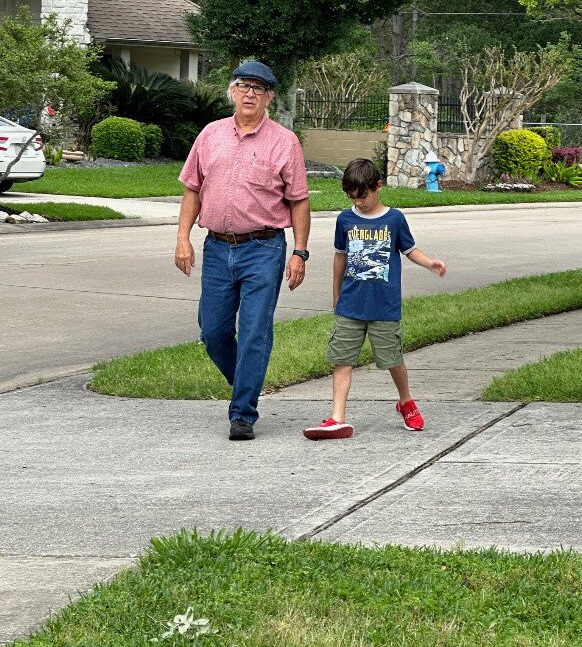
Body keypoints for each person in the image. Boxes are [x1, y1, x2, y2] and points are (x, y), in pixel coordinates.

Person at [175, 60, 310, 441]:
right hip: (217, 248)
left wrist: (300, 253)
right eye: (242, 86)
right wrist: (183, 237)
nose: (249, 93)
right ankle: (246, 385)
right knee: (213, 331)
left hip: (263, 249)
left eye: (258, 88)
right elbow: (192, 189)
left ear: (269, 96)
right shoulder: (210, 134)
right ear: (232, 91)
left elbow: (299, 201)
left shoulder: (286, 142)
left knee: (253, 331)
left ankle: (243, 414)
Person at [303, 158, 446, 441]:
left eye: (363, 196)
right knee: (342, 360)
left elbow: (409, 250)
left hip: (384, 307)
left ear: (378, 186)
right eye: (352, 197)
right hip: (350, 305)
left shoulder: (394, 219)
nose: (358, 202)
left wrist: (429, 262)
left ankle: (406, 402)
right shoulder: (345, 219)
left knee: (393, 360)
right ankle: (337, 418)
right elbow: (340, 257)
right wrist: (336, 295)